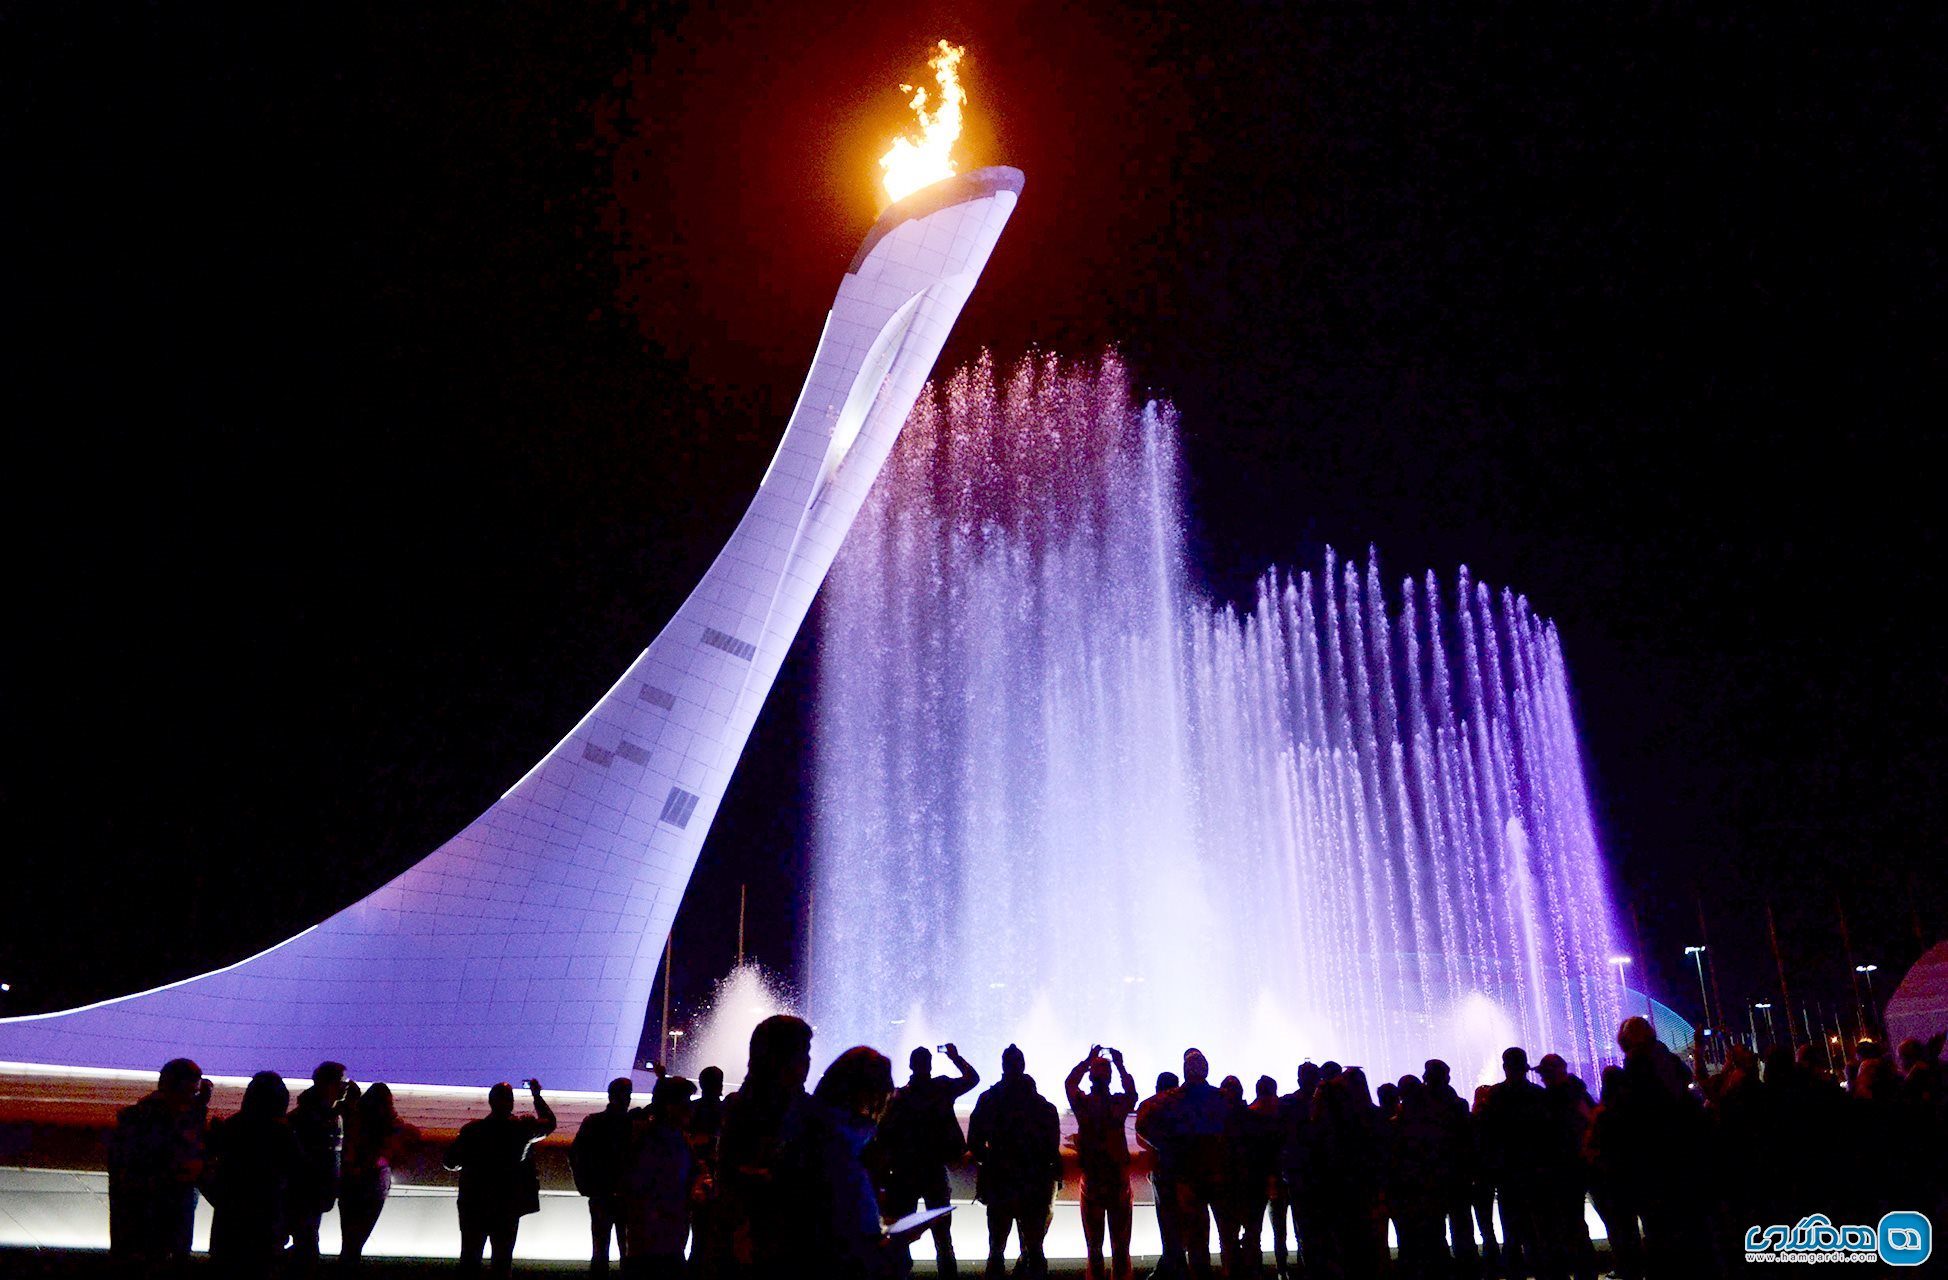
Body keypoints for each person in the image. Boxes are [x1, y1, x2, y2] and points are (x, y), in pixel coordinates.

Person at [799, 1046, 915, 1280]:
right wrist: (895, 1241)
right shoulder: (840, 1144)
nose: (882, 1109)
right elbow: (844, 1243)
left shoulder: (816, 1129)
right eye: (882, 1097)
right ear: (865, 1094)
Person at [716, 1014, 815, 1277]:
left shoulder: (746, 1107)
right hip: (769, 1247)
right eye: (802, 1053)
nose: (808, 1062)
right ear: (779, 1059)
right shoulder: (758, 1113)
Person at [878, 1043, 980, 1279]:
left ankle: (900, 1273)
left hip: (905, 1174)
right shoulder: (942, 1088)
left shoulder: (899, 1097)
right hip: (934, 1171)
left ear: (911, 1066)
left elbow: (885, 1136)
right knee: (943, 1237)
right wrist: (955, 1056)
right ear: (930, 1065)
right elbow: (972, 1078)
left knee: (902, 1233)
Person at [107, 1056, 211, 1276]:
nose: (191, 1100)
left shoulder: (137, 1119)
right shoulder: (169, 1124)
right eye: (189, 1093)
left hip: (137, 1230)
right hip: (159, 1225)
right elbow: (181, 1157)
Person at [966, 1043, 1061, 1280]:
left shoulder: (989, 1100)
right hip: (1034, 1185)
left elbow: (974, 1142)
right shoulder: (1043, 1106)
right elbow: (1051, 1149)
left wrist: (990, 1163)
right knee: (1034, 1249)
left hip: (1000, 1183)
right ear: (1023, 1066)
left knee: (996, 1249)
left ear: (1003, 1066)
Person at [445, 1078, 557, 1277]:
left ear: (490, 1102)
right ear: (511, 1103)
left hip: (474, 1204)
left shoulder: (472, 1130)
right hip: (507, 1205)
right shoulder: (522, 1130)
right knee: (502, 1261)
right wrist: (537, 1096)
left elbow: (450, 1162)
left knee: (469, 1259)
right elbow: (550, 1123)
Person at [206, 1071, 305, 1279]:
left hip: (230, 1222)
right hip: (267, 1220)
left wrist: (221, 1199)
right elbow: (298, 1175)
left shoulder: (233, 1126)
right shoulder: (283, 1133)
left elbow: (208, 1168)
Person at [1477, 1048, 1553, 1280]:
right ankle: (1542, 1272)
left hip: (1507, 1172)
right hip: (1534, 1170)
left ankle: (1516, 1273)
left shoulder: (1495, 1096)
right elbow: (1547, 1133)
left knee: (1511, 1231)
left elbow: (1487, 1134)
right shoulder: (1538, 1094)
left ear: (1504, 1067)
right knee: (1537, 1231)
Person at [1065, 1046, 1138, 1280]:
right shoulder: (1118, 1105)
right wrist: (1120, 1064)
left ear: (1090, 1076)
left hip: (1093, 1181)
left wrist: (1086, 1060)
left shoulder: (1083, 1104)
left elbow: (1069, 1083)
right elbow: (1132, 1093)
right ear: (1109, 1077)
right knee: (1121, 1246)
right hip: (1117, 1180)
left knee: (1094, 1247)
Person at [621, 1075, 701, 1280]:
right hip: (656, 1237)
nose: (690, 1108)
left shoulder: (673, 1138)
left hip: (666, 1234)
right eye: (685, 1102)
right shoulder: (656, 1141)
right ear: (669, 1106)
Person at [288, 1060, 357, 1275]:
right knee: (306, 1244)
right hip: (308, 1193)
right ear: (327, 1084)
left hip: (314, 1193)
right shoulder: (315, 1117)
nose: (346, 1086)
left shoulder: (324, 1114)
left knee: (306, 1241)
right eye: (342, 1082)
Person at [340, 1081, 417, 1265]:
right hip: (373, 1184)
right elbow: (411, 1135)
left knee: (349, 1236)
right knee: (357, 1238)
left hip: (351, 1182)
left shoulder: (355, 1121)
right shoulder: (393, 1126)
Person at [1419, 1059, 1479, 1278]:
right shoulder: (1458, 1104)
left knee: (1436, 1226)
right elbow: (1468, 1138)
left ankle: (1441, 1267)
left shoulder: (1420, 1104)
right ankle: (1467, 1267)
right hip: (1457, 1173)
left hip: (1432, 1175)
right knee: (1461, 1224)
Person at [574, 1077, 636, 1273]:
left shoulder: (593, 1122)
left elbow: (577, 1155)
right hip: (627, 1194)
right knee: (628, 1249)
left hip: (600, 1192)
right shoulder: (632, 1125)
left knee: (600, 1248)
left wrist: (585, 1185)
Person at [1228, 1076, 1283, 1280]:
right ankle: (1257, 1271)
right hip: (1256, 1183)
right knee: (1253, 1233)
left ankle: (1239, 1270)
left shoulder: (1232, 1119)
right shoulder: (1257, 1119)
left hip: (1236, 1184)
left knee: (1233, 1235)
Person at [1272, 1062, 1320, 1280]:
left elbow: (1278, 1136)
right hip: (1321, 1174)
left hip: (1296, 1173)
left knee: (1303, 1228)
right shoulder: (1328, 1104)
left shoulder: (1289, 1104)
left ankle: (1304, 1268)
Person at [1135, 1071, 1184, 1280]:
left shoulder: (1149, 1105)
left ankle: (1171, 1264)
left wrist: (1160, 1148)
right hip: (1187, 1171)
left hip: (1163, 1170)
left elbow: (1140, 1133)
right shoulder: (1186, 1105)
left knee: (1167, 1221)